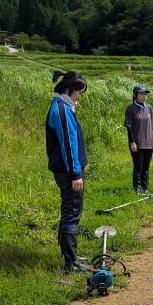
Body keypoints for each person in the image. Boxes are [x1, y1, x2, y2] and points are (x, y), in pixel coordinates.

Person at [45, 70, 90, 273]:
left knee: (69, 211)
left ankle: (69, 255)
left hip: (67, 170)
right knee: (71, 213)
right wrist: (75, 174)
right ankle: (71, 263)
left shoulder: (62, 107)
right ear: (68, 90)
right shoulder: (61, 110)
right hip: (68, 172)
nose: (80, 96)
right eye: (79, 92)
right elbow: (68, 145)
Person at [123, 85, 153, 193]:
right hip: (137, 143)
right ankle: (137, 188)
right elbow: (128, 127)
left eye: (145, 94)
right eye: (141, 94)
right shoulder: (130, 108)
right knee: (138, 167)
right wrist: (132, 142)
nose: (144, 96)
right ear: (135, 95)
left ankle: (145, 188)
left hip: (149, 142)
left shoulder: (149, 108)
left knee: (146, 167)